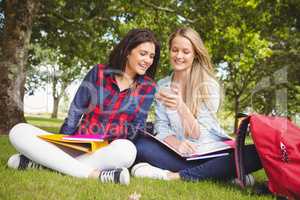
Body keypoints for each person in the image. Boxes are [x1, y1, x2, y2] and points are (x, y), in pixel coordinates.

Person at [7, 28, 160, 185]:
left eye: (151, 56)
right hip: (79, 143)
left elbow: (137, 127)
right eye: (143, 54)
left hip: (107, 150)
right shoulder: (99, 72)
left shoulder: (148, 87)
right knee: (18, 131)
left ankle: (47, 163)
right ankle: (95, 174)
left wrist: (118, 144)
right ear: (128, 51)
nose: (148, 60)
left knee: (128, 151)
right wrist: (63, 140)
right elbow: (76, 110)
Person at [131, 27, 262, 183]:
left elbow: (199, 135)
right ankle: (222, 173)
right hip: (176, 152)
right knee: (140, 144)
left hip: (207, 149)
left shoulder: (208, 85)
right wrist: (177, 144)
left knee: (257, 152)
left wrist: (181, 107)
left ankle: (174, 175)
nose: (179, 56)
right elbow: (162, 126)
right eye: (175, 50)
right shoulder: (162, 85)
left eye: (185, 52)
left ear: (195, 55)